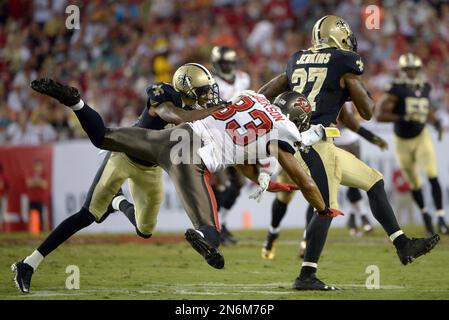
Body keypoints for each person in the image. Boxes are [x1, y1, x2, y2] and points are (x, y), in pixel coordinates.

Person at [258, 15, 440, 290]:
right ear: (338, 36)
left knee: (373, 180)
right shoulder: (344, 62)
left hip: (307, 143)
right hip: (314, 143)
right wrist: (360, 91)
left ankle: (403, 244)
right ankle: (307, 275)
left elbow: (264, 93)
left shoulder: (297, 59)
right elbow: (367, 112)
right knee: (327, 208)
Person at [11, 63, 228, 294]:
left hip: (152, 168)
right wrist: (210, 112)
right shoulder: (164, 94)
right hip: (125, 154)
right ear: (186, 88)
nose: (207, 96)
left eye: (207, 90)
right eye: (202, 90)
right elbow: (173, 115)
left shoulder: (197, 108)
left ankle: (117, 202)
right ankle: (28, 264)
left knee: (145, 230)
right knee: (87, 214)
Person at [261, 102, 388, 260]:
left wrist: (370, 137)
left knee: (315, 195)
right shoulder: (297, 91)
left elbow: (346, 117)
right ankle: (272, 233)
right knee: (283, 200)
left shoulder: (328, 93)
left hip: (313, 150)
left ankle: (306, 241)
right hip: (290, 151)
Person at [376, 53, 448, 236]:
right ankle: (426, 215)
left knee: (432, 174)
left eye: (414, 69)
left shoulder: (425, 87)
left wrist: (436, 123)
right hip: (402, 140)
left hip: (421, 135)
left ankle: (441, 217)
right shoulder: (396, 89)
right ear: (402, 71)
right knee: (414, 182)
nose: (411, 73)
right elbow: (380, 115)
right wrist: (403, 117)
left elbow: (426, 110)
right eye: (408, 69)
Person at [210, 46, 251, 245]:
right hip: (217, 137)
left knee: (238, 184)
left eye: (230, 63)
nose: (227, 67)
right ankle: (213, 227)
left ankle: (221, 223)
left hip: (239, 138)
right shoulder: (212, 83)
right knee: (222, 184)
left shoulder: (244, 78)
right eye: (224, 63)